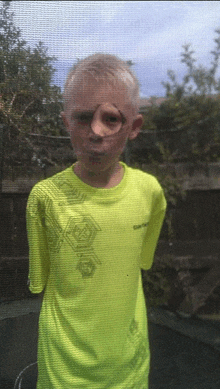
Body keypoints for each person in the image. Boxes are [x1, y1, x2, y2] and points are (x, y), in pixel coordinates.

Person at [26, 53, 167, 389]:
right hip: (61, 374)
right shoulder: (44, 199)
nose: (96, 132)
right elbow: (41, 281)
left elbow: (138, 264)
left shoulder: (151, 194)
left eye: (112, 119)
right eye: (83, 117)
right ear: (65, 122)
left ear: (134, 127)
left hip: (129, 372)